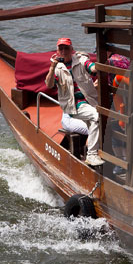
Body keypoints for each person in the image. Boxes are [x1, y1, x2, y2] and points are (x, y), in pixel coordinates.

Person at [44, 37, 103, 167]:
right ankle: (92, 155)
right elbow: (49, 85)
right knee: (98, 117)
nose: (64, 51)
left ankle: (93, 154)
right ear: (58, 51)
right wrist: (52, 67)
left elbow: (91, 67)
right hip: (74, 106)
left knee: (96, 120)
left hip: (89, 102)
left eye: (66, 48)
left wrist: (100, 67)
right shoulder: (58, 68)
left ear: (71, 49)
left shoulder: (81, 60)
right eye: (61, 48)